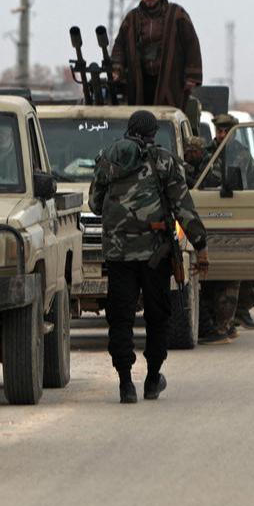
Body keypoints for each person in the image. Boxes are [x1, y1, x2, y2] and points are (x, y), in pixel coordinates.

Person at [88, 110, 209, 403]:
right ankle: (153, 379)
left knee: (120, 318)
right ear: (153, 133)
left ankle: (125, 384)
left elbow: (94, 204)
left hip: (118, 255)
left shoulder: (107, 158)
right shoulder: (164, 160)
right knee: (157, 316)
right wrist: (201, 245)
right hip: (156, 254)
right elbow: (183, 206)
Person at [197, 113, 254, 343]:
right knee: (208, 277)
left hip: (235, 217)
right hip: (208, 218)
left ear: (233, 132)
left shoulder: (242, 155)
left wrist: (244, 199)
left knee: (231, 276)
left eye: (226, 131)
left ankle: (225, 325)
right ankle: (215, 325)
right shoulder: (206, 153)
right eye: (219, 131)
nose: (221, 135)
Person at [110, 0, 203, 111]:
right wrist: (116, 69)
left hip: (170, 79)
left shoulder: (176, 15)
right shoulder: (132, 18)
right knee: (140, 115)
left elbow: (191, 44)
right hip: (140, 81)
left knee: (168, 116)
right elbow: (120, 46)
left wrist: (191, 77)